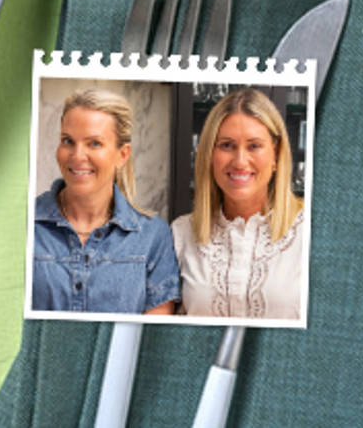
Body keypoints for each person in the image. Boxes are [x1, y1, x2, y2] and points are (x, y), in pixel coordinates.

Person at [32, 88, 179, 314]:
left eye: (94, 144)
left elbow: (153, 335)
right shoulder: (24, 224)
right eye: (68, 141)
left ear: (122, 154)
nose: (77, 155)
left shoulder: (153, 236)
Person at [172, 88, 307, 319]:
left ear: (276, 154)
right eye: (227, 145)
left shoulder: (309, 230)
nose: (240, 161)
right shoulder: (180, 233)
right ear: (209, 155)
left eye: (254, 146)